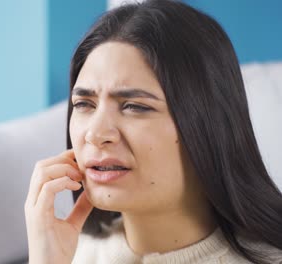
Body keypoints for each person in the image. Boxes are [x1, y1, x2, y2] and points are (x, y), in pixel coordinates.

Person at [24, 0, 282, 263]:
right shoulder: (61, 255)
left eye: (134, 106)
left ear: (207, 125)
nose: (95, 134)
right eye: (84, 104)